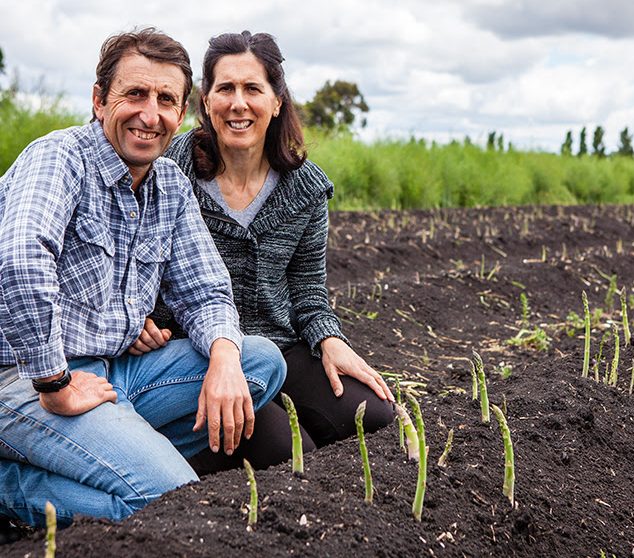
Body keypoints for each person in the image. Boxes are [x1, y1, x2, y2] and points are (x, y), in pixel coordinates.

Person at [0, 28, 286, 536]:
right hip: (22, 378)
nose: (149, 114)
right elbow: (22, 259)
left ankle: (112, 448)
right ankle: (13, 487)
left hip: (113, 374)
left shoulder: (170, 186)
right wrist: (56, 384)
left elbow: (206, 291)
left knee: (258, 361)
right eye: (134, 94)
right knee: (172, 501)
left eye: (165, 99)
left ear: (181, 114)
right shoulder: (60, 159)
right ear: (98, 100)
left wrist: (222, 356)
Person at [133, 30, 395, 475]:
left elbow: (309, 291)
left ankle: (252, 415)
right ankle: (180, 449)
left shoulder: (306, 188)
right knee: (290, 452)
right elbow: (135, 260)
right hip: (197, 348)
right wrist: (136, 318)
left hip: (279, 346)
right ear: (205, 101)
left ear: (276, 101)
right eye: (225, 89)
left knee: (372, 412)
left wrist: (331, 341)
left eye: (253, 89)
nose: (238, 103)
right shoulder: (168, 169)